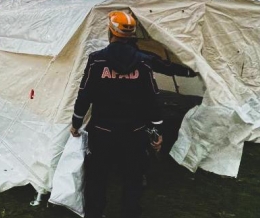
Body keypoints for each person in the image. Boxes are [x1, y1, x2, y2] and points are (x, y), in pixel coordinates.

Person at [70, 11, 197, 218]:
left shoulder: (96, 60)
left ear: (110, 31)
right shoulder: (144, 62)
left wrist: (76, 122)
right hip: (134, 132)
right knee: (133, 179)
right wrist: (157, 130)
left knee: (97, 178)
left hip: (102, 131)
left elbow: (85, 94)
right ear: (131, 35)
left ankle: (95, 213)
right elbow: (153, 98)